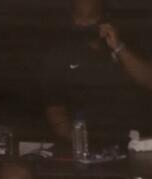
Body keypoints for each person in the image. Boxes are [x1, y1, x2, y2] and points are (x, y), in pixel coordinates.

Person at [44, 0, 150, 153]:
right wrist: (81, 142)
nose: (85, 25)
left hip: (135, 142)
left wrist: (118, 47)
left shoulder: (129, 39)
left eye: (91, 20)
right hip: (86, 144)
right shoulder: (59, 53)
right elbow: (55, 111)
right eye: (78, 20)